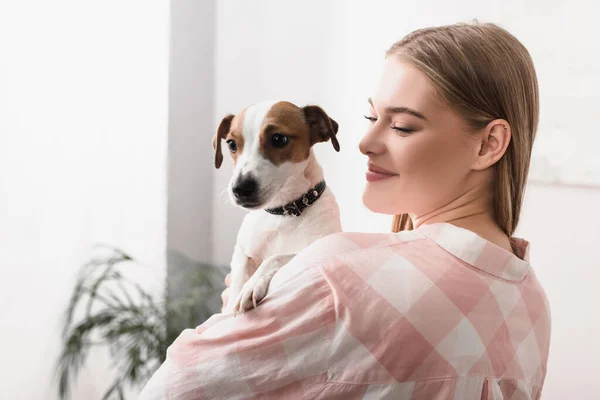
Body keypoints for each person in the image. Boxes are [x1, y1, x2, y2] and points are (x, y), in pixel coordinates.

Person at [139, 22, 550, 399]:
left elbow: (171, 389)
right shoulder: (530, 300)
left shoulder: (336, 275)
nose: (364, 141)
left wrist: (247, 318)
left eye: (402, 125)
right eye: (371, 116)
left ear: (488, 144)